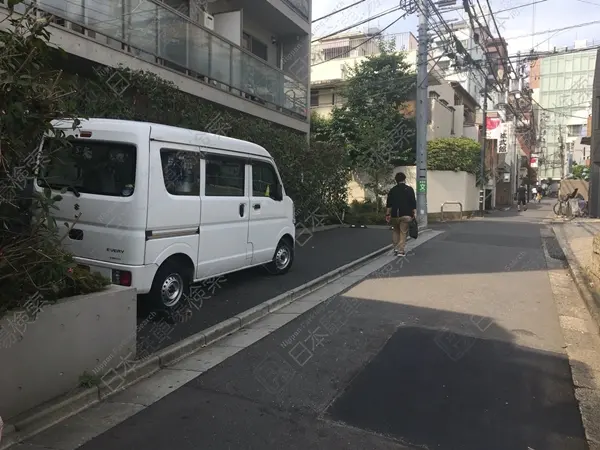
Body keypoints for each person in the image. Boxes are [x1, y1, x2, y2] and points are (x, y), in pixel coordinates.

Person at [385, 172, 416, 257]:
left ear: (396, 180)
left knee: (395, 231)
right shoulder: (409, 189)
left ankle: (395, 248)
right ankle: (401, 251)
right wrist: (414, 213)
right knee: (403, 232)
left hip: (395, 214)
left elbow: (389, 204)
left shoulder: (393, 190)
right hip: (406, 215)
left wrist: (387, 214)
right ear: (404, 179)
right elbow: (413, 202)